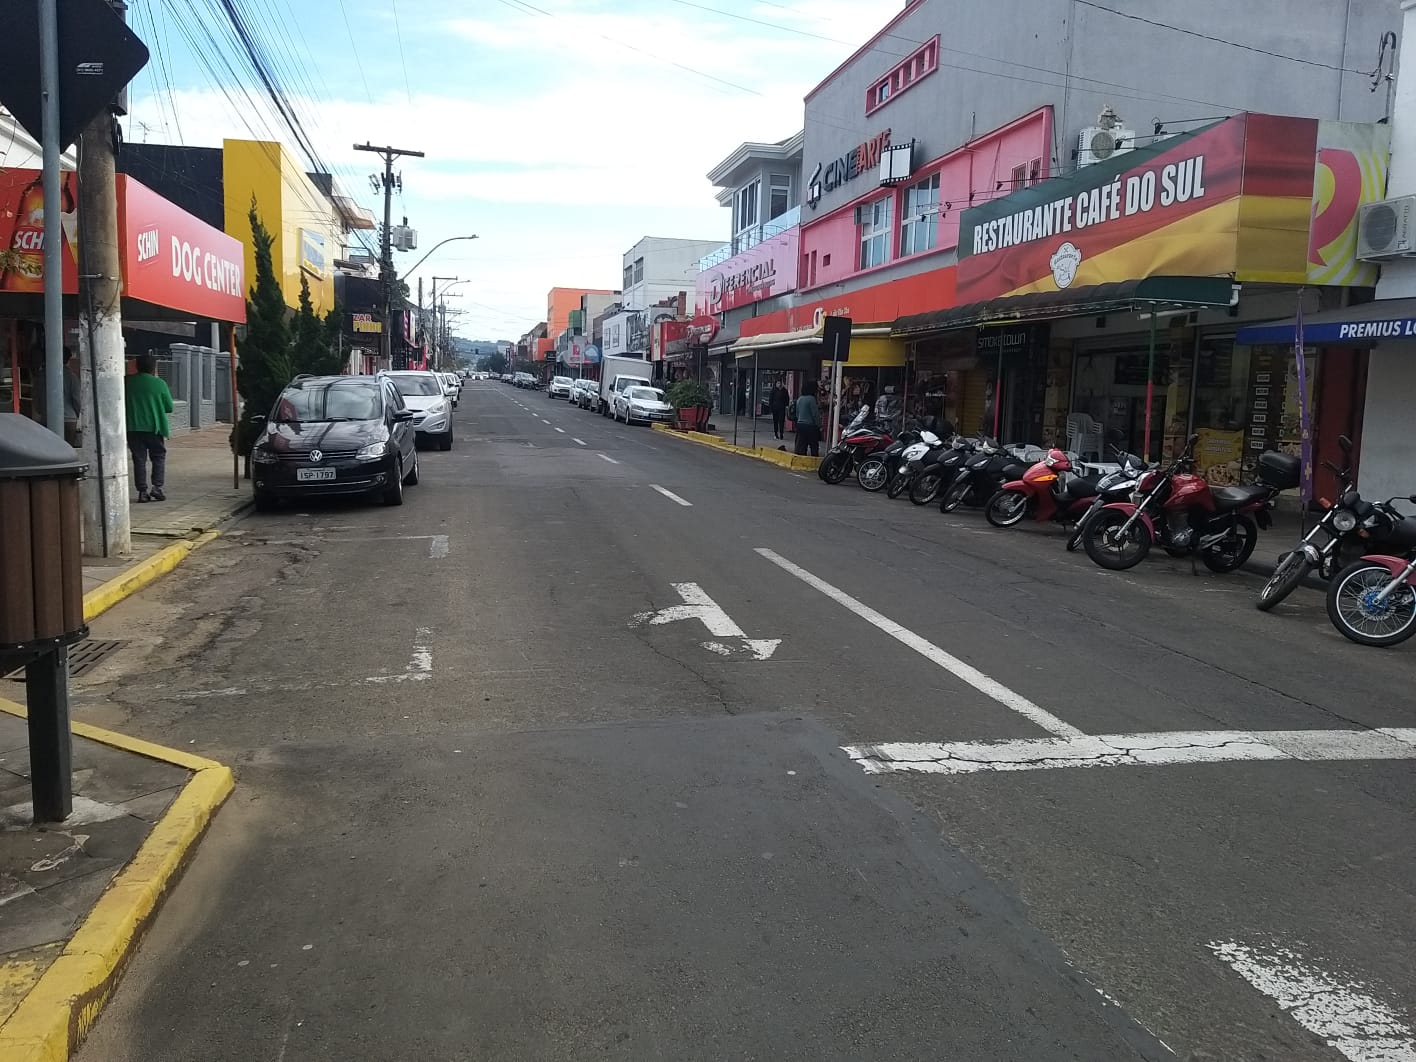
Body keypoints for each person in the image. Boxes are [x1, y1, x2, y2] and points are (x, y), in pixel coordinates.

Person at [124, 353, 174, 503]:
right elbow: (169, 407)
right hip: (154, 427)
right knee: (158, 456)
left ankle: (142, 491)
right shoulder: (159, 384)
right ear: (154, 367)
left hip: (132, 427)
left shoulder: (126, 382)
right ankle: (157, 487)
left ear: (137, 366)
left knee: (139, 459)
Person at [793, 380, 821, 457]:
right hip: (810, 425)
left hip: (800, 424)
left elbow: (797, 414)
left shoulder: (800, 399)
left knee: (802, 445)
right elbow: (815, 414)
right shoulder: (811, 399)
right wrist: (819, 425)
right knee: (814, 445)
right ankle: (814, 459)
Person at [63, 348, 81, 448]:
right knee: (68, 448)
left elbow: (37, 396)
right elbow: (77, 399)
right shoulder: (72, 377)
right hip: (69, 418)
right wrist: (77, 413)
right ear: (69, 360)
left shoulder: (43, 376)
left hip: (47, 417)